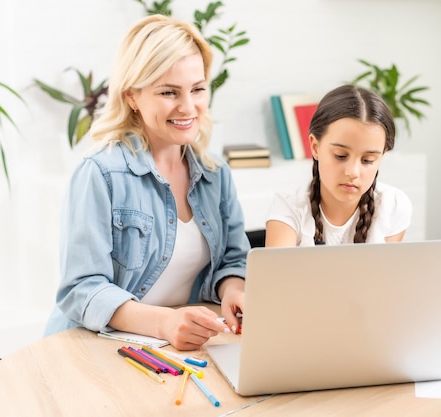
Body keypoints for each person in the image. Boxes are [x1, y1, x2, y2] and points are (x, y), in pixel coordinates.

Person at [44, 14, 249, 350]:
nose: (188, 107)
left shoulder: (215, 173)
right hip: (93, 348)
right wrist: (165, 322)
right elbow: (81, 288)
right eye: (169, 92)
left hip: (179, 350)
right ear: (132, 97)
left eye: (197, 89)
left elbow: (232, 259)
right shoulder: (100, 173)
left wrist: (234, 291)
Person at [265, 85, 412, 246]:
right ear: (315, 147)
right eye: (340, 156)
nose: (352, 172)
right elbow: (278, 272)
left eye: (368, 160)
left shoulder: (393, 206)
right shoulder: (289, 207)